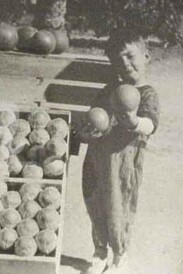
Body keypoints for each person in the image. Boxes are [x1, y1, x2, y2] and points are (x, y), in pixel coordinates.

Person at [79, 29, 160, 274]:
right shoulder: (109, 89)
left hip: (123, 164)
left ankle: (120, 256)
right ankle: (100, 251)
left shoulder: (147, 94)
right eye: (118, 59)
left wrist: (135, 121)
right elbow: (95, 116)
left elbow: (151, 124)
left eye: (129, 56)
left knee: (118, 209)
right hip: (97, 157)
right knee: (95, 205)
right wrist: (89, 129)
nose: (124, 63)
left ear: (146, 56)